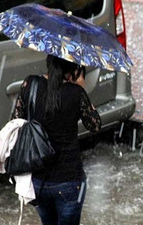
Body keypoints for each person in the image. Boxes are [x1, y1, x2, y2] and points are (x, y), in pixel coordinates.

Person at [11, 55, 101, 225]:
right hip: (68, 180)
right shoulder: (76, 93)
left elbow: (16, 121)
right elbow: (94, 125)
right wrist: (84, 97)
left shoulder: (30, 84)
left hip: (38, 181)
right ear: (72, 69)